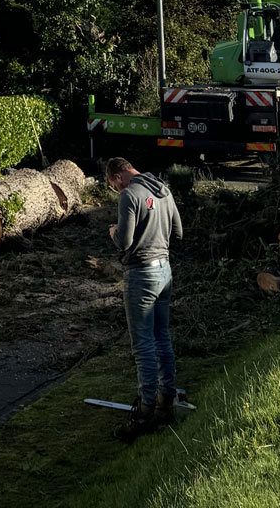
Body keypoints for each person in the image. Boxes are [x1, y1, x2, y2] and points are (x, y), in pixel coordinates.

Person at [105, 155, 191, 440]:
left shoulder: (130, 195)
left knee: (142, 345)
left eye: (112, 185)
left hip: (140, 275)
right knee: (162, 337)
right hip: (165, 271)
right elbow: (178, 231)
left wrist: (114, 232)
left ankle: (145, 410)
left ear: (118, 177)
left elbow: (126, 241)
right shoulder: (163, 189)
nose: (116, 189)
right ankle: (167, 398)